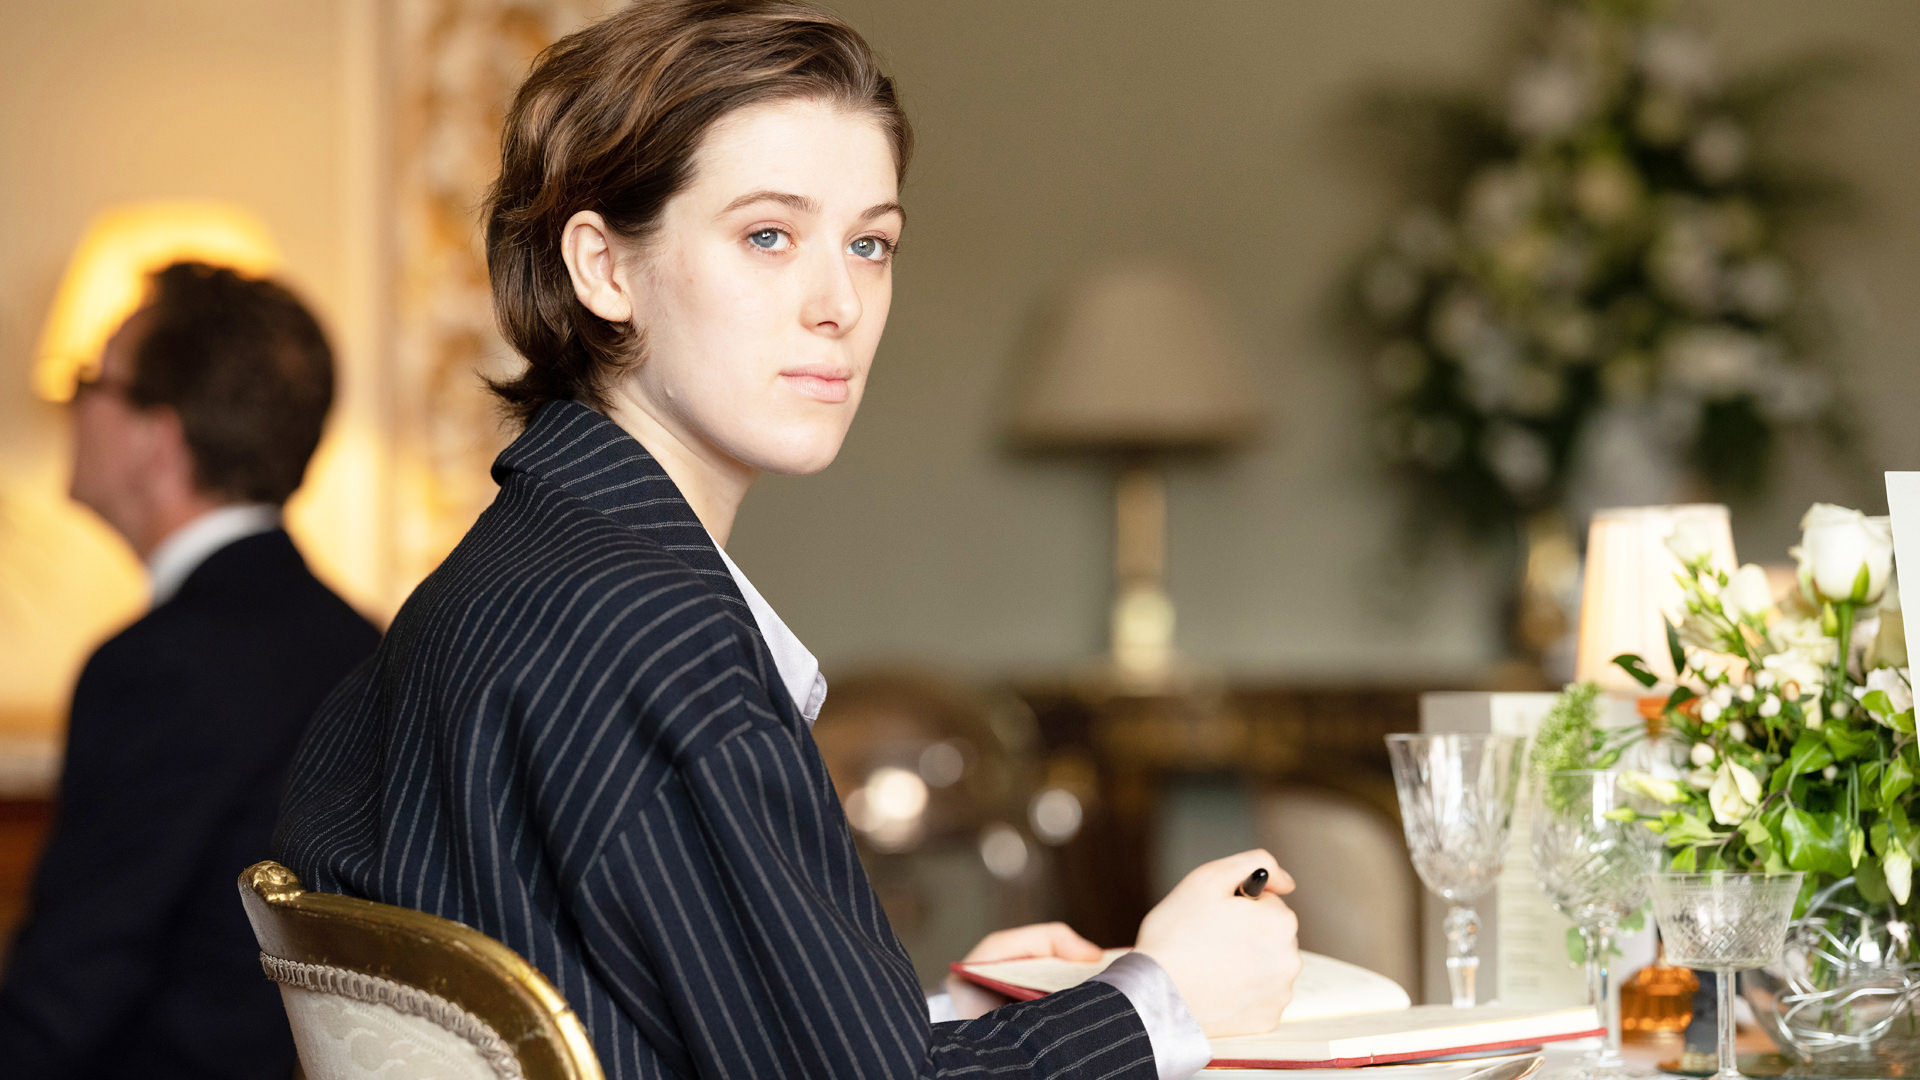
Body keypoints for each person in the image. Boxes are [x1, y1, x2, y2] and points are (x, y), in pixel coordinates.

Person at [274, 2, 1300, 1077]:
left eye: (870, 243)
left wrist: (948, 1015)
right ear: (603, 267)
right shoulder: (656, 635)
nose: (840, 303)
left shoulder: (508, 574)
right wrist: (1164, 998)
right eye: (769, 235)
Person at [0, 262, 381, 1077]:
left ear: (156, 436)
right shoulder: (362, 640)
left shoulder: (157, 668)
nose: (72, 407)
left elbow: (70, 993)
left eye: (90, 380)